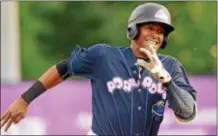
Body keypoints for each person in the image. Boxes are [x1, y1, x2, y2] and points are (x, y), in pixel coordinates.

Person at [1, 2, 197, 136]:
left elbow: (187, 113)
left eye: (161, 31)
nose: (156, 34)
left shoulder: (170, 66)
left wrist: (165, 78)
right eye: (150, 28)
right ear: (133, 29)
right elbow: (64, 68)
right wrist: (24, 99)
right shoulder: (104, 56)